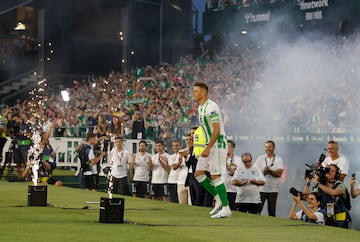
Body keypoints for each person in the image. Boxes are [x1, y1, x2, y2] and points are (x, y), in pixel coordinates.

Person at [192, 82, 231, 218]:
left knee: (215, 175)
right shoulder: (200, 108)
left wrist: (208, 147)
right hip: (209, 144)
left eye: (196, 91)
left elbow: (217, 130)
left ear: (204, 92)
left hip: (218, 144)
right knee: (198, 174)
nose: (194, 93)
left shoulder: (212, 107)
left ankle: (226, 209)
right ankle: (219, 199)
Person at [306, 164, 351, 228]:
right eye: (328, 170)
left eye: (332, 171)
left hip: (340, 223)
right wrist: (308, 183)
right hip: (325, 221)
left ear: (336, 174)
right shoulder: (320, 186)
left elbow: (333, 192)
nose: (329, 172)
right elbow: (308, 197)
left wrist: (318, 183)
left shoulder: (340, 185)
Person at [22, 122, 62, 186]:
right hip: (39, 178)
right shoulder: (37, 148)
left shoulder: (47, 147)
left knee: (58, 183)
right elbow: (23, 175)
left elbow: (48, 168)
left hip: (46, 176)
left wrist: (43, 160)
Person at [254, 140, 284, 217]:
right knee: (257, 210)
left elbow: (279, 173)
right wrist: (263, 172)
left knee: (272, 211)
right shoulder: (260, 158)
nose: (267, 148)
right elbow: (254, 172)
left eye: (269, 147)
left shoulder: (278, 159)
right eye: (266, 147)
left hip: (273, 189)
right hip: (261, 189)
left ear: (274, 148)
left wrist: (269, 171)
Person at [223, 140, 243, 211]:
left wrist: (228, 167)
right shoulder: (220, 158)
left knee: (233, 210)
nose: (226, 148)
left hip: (233, 190)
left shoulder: (239, 159)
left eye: (228, 146)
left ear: (233, 148)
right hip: (222, 189)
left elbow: (240, 175)